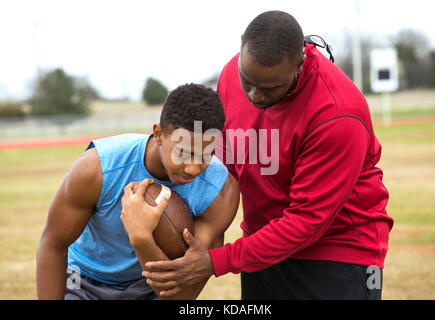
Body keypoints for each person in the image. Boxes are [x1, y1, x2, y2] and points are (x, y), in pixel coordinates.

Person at [139, 11, 394, 300]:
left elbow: (306, 222)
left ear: (299, 64)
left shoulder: (337, 112)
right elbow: (224, 172)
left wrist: (215, 260)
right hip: (263, 249)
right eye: (248, 81)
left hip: (338, 253)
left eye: (269, 89)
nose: (254, 96)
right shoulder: (229, 76)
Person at [36, 83, 240, 300]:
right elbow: (53, 245)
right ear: (159, 134)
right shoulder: (98, 168)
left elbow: (181, 296)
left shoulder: (220, 192)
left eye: (205, 155)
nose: (193, 168)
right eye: (183, 153)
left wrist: (141, 237)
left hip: (148, 288)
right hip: (82, 279)